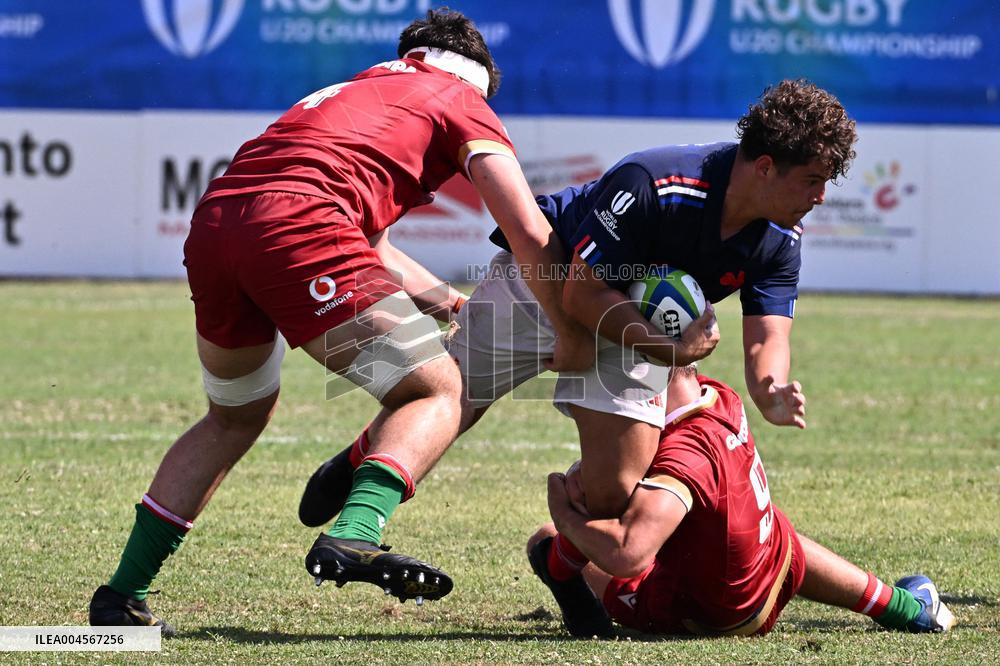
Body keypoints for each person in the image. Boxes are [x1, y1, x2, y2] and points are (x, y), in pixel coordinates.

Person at [88, 8, 595, 633]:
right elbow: (528, 232)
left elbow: (373, 246)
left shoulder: (362, 89)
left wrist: (452, 306)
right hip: (297, 227)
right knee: (438, 388)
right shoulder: (461, 98)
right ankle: (356, 532)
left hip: (218, 225)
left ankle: (120, 598)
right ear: (479, 77)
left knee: (234, 415)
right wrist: (568, 330)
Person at [299, 80, 857, 538]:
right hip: (546, 278)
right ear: (764, 167)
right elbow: (582, 296)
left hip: (631, 328)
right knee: (451, 402)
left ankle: (561, 563)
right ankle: (359, 470)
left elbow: (767, 336)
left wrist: (770, 388)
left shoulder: (781, 238)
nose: (821, 196)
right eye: (813, 180)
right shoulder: (656, 183)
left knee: (616, 489)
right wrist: (671, 349)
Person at [526, 366, 956, 638]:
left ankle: (561, 571)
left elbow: (628, 553)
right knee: (764, 525)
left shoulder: (683, 455)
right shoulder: (717, 394)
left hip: (714, 611)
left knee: (556, 527)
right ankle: (906, 610)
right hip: (774, 560)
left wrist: (566, 517)